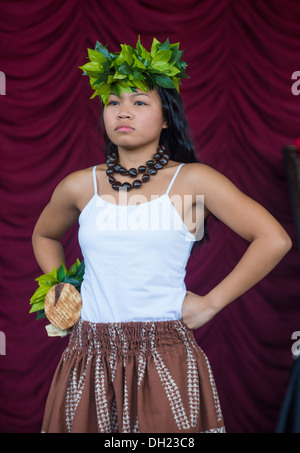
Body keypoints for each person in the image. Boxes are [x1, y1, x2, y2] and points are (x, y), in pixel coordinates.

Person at [32, 37, 292, 433]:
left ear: (166, 117)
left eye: (139, 102)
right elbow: (44, 236)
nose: (124, 111)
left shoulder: (192, 181)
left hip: (163, 352)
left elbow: (274, 238)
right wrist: (61, 288)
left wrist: (211, 303)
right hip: (89, 353)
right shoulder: (80, 186)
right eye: (114, 101)